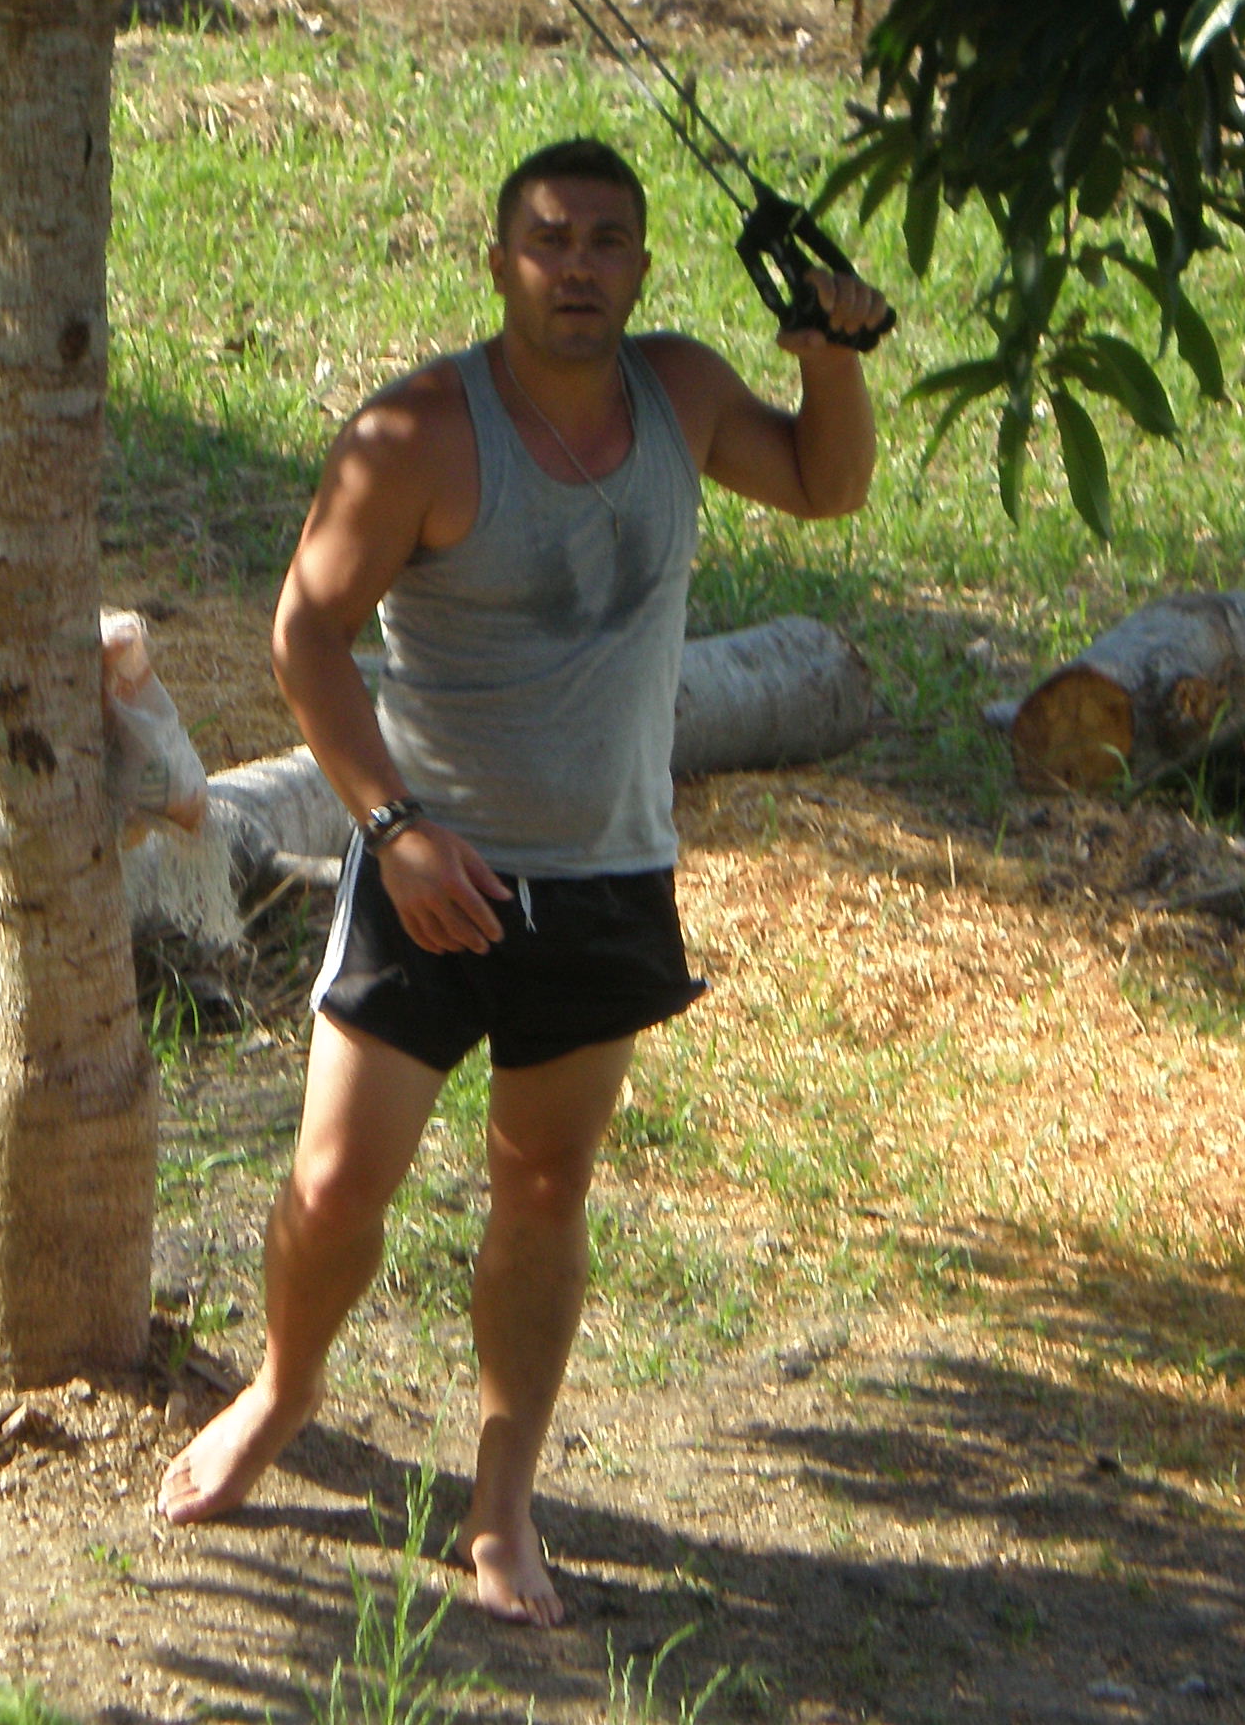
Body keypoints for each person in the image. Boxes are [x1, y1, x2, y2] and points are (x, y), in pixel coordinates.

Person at [155, 136, 888, 1625]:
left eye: (609, 243)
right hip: (428, 870)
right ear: (501, 264)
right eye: (550, 240)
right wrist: (392, 828)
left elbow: (826, 485)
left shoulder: (681, 395)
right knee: (334, 1184)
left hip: (604, 878)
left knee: (544, 1186)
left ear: (643, 268)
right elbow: (303, 637)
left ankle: (503, 1500)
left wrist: (833, 354)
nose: (578, 268)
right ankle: (282, 1391)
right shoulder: (418, 433)